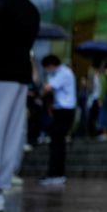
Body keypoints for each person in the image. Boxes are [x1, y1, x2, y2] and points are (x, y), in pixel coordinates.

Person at [0, 0, 40, 211]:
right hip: (20, 75)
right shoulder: (32, 10)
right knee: (11, 132)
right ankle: (1, 189)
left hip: (1, 73)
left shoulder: (3, 6)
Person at [40, 55, 76, 186]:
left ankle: (56, 174)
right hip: (61, 110)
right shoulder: (60, 73)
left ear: (50, 65)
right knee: (56, 143)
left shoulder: (63, 73)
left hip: (64, 111)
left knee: (57, 143)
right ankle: (55, 174)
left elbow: (47, 88)